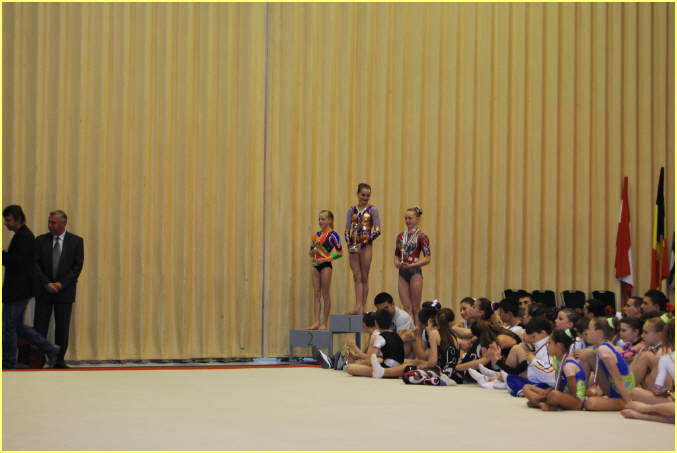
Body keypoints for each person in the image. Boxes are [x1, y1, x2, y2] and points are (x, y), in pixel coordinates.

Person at [2, 206, 59, 369]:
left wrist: (3, 255)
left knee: (8, 326)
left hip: (18, 290)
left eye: (8, 220)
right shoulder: (22, 235)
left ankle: (9, 362)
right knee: (16, 326)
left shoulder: (24, 237)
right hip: (19, 289)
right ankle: (49, 348)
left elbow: (18, 262)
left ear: (18, 219)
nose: (5, 223)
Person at [33, 210, 84, 368]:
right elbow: (35, 264)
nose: (50, 225)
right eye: (49, 222)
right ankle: (39, 359)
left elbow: (77, 267)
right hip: (44, 291)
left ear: (64, 223)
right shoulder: (40, 240)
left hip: (65, 292)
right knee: (40, 326)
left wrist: (61, 284)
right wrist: (46, 283)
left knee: (62, 327)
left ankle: (59, 360)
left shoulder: (76, 241)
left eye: (53, 222)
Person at [524, 328, 590, 411]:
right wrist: (547, 392)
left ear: (558, 345)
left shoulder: (569, 365)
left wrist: (548, 395)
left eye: (549, 343)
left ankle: (541, 402)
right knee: (527, 387)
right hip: (561, 394)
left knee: (554, 395)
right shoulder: (556, 361)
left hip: (576, 401)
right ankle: (542, 403)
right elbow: (558, 385)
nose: (547, 346)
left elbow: (573, 394)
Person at [583, 317, 635, 411]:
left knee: (590, 403)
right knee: (587, 355)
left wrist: (629, 403)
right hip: (613, 389)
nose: (586, 332)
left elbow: (617, 378)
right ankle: (579, 396)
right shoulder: (601, 347)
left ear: (599, 333)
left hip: (622, 392)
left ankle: (625, 403)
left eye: (589, 329)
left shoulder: (604, 350)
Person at [345, 183, 382, 315]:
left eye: (368, 195)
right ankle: (357, 305)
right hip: (354, 245)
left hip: (366, 246)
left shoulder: (373, 210)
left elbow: (377, 230)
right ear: (358, 194)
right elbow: (346, 230)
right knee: (356, 276)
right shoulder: (352, 210)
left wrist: (364, 243)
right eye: (363, 195)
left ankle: (362, 306)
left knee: (364, 277)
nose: (365, 198)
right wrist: (349, 244)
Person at [394, 206, 431, 324]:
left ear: (417, 219)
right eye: (406, 218)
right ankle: (408, 332)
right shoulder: (400, 236)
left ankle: (417, 332)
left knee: (415, 307)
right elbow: (396, 255)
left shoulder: (422, 237)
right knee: (406, 307)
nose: (407, 220)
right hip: (402, 272)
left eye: (410, 218)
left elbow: (427, 258)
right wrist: (397, 263)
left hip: (415, 272)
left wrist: (413, 265)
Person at [307, 210, 342, 330]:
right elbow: (310, 252)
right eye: (319, 219)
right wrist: (313, 251)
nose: (320, 221)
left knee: (325, 294)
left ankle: (324, 323)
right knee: (316, 293)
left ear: (330, 220)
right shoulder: (316, 235)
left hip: (326, 265)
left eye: (323, 219)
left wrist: (326, 259)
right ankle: (316, 321)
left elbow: (340, 252)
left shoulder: (333, 235)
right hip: (316, 265)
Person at [345, 308, 404, 378]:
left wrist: (358, 360)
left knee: (350, 368)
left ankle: (384, 373)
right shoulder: (397, 335)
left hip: (386, 367)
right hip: (398, 369)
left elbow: (370, 361)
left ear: (376, 323)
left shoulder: (378, 337)